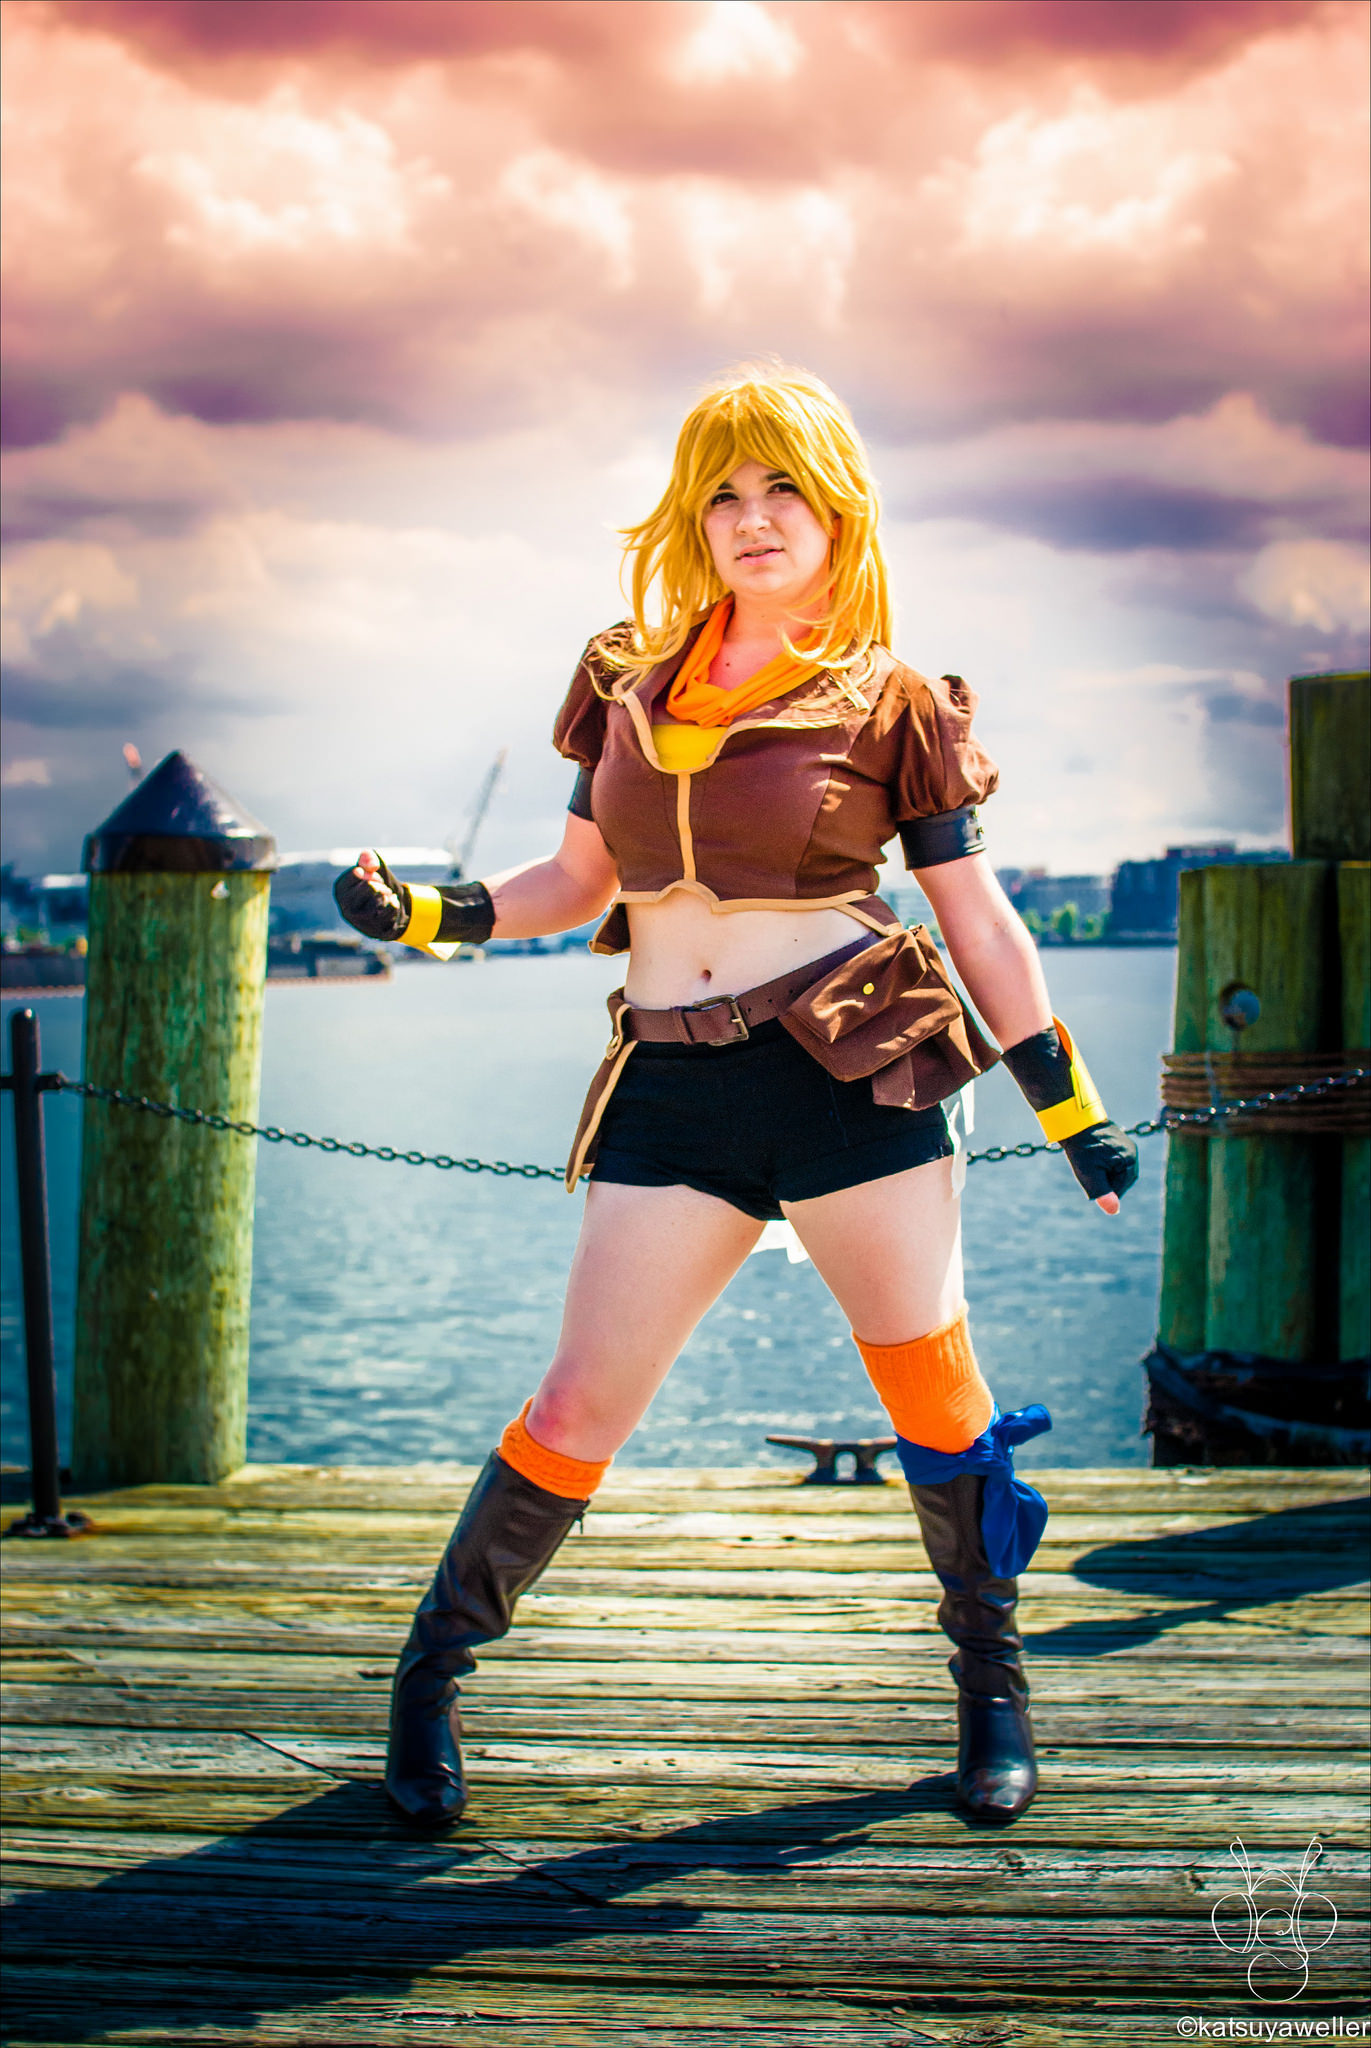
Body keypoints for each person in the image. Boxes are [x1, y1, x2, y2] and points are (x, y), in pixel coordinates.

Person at [335, 364, 1138, 1832]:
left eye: (782, 491)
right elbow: (571, 882)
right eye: (722, 494)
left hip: (856, 1073)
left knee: (932, 1392)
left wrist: (1070, 1108)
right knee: (579, 1402)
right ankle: (429, 1678)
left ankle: (993, 1690)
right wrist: (429, 916)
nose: (751, 518)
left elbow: (978, 918)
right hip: (674, 1084)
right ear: (690, 518)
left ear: (837, 515)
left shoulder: (897, 700)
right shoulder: (624, 681)